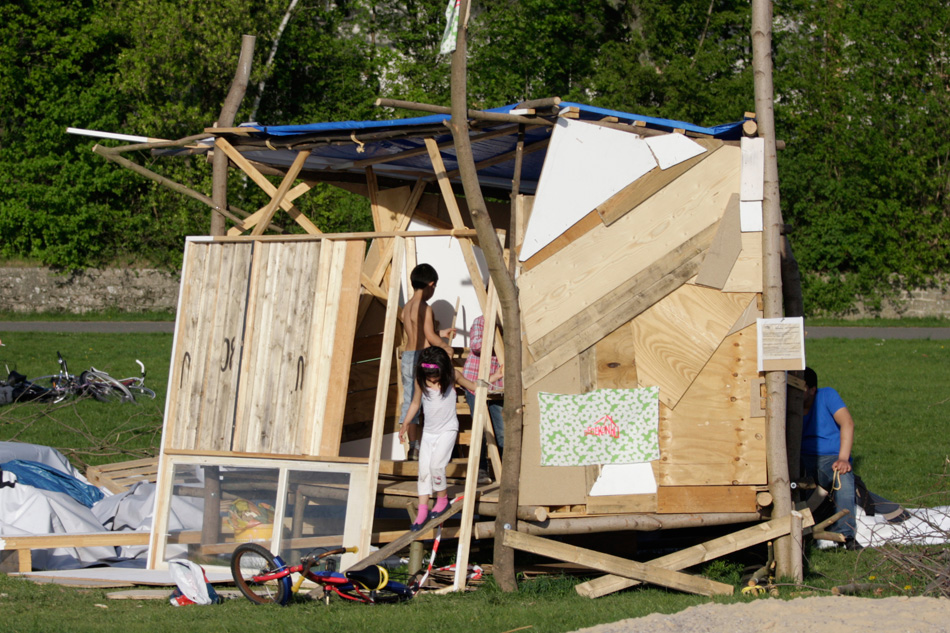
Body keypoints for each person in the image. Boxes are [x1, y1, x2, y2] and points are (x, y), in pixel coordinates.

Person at [398, 346, 502, 531]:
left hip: (448, 430)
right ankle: (422, 509)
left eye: (435, 376)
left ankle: (442, 499)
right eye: (428, 376)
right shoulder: (421, 380)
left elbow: (474, 387)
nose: (432, 379)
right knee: (424, 472)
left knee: (437, 466)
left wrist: (493, 377)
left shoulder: (453, 375)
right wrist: (405, 423)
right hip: (429, 433)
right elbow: (415, 402)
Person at [801, 366, 863, 550]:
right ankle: (802, 530)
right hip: (802, 457)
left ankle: (846, 535)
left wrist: (843, 458)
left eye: (801, 387)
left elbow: (847, 423)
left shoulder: (827, 395)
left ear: (812, 389)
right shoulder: (788, 402)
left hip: (831, 458)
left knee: (842, 478)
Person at [399, 264, 455, 461]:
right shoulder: (425, 307)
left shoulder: (406, 308)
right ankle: (435, 444)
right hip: (422, 358)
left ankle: (413, 448)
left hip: (407, 357)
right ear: (431, 284)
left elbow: (418, 333)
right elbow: (430, 337)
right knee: (428, 399)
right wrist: (445, 346)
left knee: (410, 401)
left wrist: (442, 333)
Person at [461, 314, 504, 482]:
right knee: (480, 428)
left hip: (496, 385)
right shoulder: (481, 321)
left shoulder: (509, 322)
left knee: (500, 431)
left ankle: (502, 471)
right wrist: (496, 335)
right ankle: (481, 470)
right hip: (475, 383)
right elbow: (477, 345)